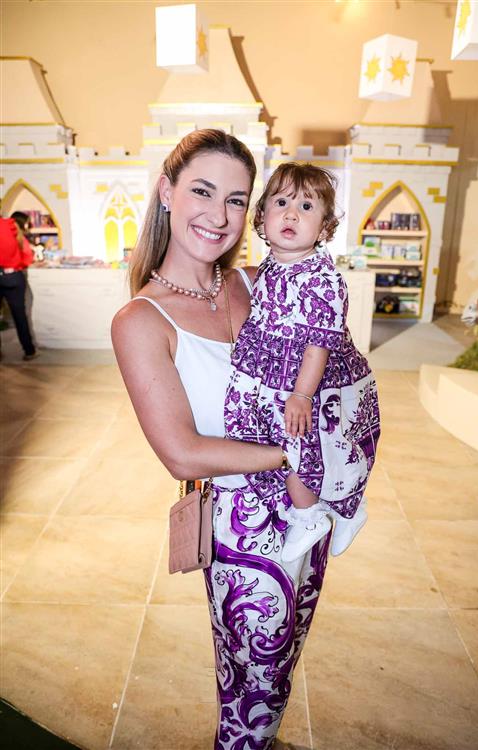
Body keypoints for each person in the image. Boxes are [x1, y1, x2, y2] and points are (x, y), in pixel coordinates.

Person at [113, 129, 347, 749]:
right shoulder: (141, 320)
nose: (219, 216)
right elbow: (181, 453)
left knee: (283, 663)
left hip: (307, 507)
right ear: (167, 191)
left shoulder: (255, 281)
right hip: (244, 530)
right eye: (202, 191)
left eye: (237, 200)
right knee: (252, 684)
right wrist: (300, 454)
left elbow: (323, 347)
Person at [224, 163, 381, 563]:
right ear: (262, 216)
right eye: (281, 203)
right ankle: (344, 509)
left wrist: (302, 395)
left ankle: (312, 516)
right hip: (275, 375)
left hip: (311, 380)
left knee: (301, 445)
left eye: (306, 206)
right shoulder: (271, 266)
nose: (291, 214)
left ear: (324, 228)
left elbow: (317, 346)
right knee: (278, 443)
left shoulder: (321, 278)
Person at [0, 213, 38, 360]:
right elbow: (27, 255)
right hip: (14, 276)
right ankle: (29, 350)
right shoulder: (11, 225)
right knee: (20, 316)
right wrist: (18, 264)